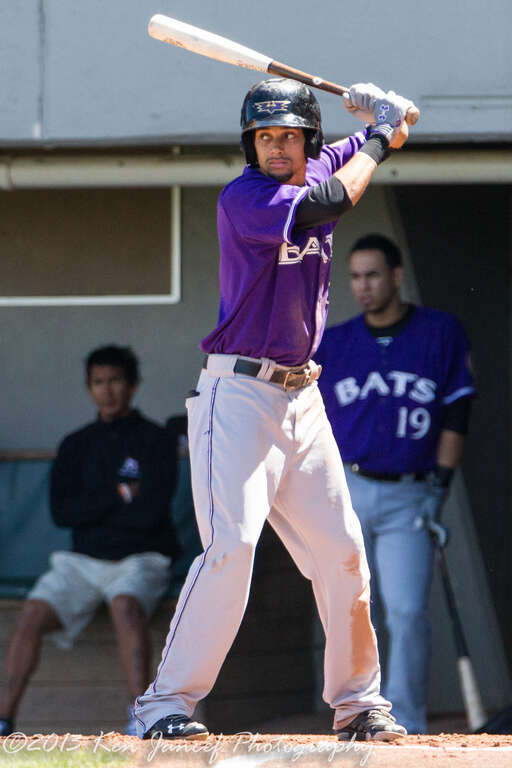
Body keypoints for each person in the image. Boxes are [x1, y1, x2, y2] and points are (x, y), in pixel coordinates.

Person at [134, 79, 417, 742]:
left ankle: (357, 705)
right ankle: (163, 705)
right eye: (266, 137)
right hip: (239, 395)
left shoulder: (320, 161)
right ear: (251, 145)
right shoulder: (247, 196)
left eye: (289, 135)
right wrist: (377, 134)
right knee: (230, 547)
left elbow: (397, 130)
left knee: (342, 550)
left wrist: (387, 111)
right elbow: (330, 200)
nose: (278, 148)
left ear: (307, 139)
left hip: (303, 396)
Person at [315, 234, 476, 733]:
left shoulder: (440, 331)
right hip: (348, 487)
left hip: (411, 490)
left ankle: (406, 720)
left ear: (397, 275)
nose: (363, 286)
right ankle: (354, 715)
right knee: (349, 610)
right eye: (356, 277)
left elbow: (458, 411)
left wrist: (439, 487)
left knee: (406, 613)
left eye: (373, 275)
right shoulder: (336, 341)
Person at [0, 345, 179, 737]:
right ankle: (3, 721)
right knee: (29, 614)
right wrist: (119, 494)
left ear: (132, 386)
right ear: (89, 389)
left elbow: (149, 512)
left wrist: (100, 508)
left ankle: (141, 721)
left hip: (140, 558)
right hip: (81, 560)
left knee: (124, 605)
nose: (107, 390)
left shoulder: (155, 440)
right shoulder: (75, 444)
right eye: (98, 382)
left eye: (115, 380)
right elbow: (63, 514)